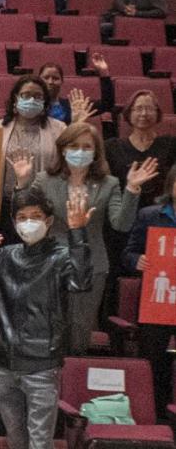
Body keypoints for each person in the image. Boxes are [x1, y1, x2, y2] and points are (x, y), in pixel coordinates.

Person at [11, 122, 146, 354]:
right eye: (74, 146)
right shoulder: (45, 180)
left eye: (87, 147)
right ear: (63, 149)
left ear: (95, 153)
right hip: (49, 264)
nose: (80, 151)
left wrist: (132, 190)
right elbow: (25, 216)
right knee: (49, 326)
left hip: (92, 266)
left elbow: (121, 224)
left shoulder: (109, 183)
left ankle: (73, 377)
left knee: (79, 329)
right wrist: (22, 183)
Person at [0, 187, 93, 449]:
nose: (28, 222)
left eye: (35, 216)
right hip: (5, 366)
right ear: (15, 222)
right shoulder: (4, 256)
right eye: (22, 217)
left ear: (48, 221)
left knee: (40, 442)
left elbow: (81, 282)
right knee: (16, 439)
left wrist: (78, 233)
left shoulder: (61, 256)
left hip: (42, 366)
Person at [124, 172, 176, 415]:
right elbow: (128, 253)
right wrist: (138, 260)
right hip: (156, 302)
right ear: (171, 186)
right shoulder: (150, 215)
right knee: (152, 361)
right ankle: (152, 414)